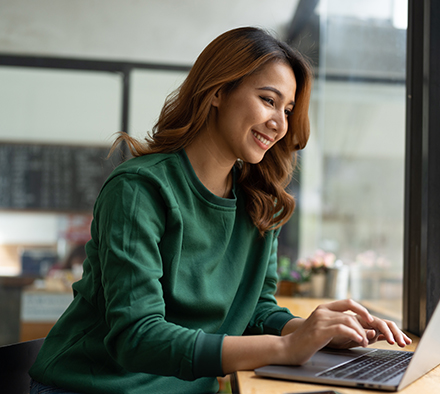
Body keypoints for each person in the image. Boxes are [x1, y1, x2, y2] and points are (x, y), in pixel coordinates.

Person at [28, 27, 410, 394]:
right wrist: (284, 349)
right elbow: (137, 336)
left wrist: (311, 330)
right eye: (268, 100)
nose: (280, 124)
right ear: (217, 92)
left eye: (288, 109)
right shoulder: (139, 190)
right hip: (94, 388)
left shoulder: (260, 200)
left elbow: (255, 311)